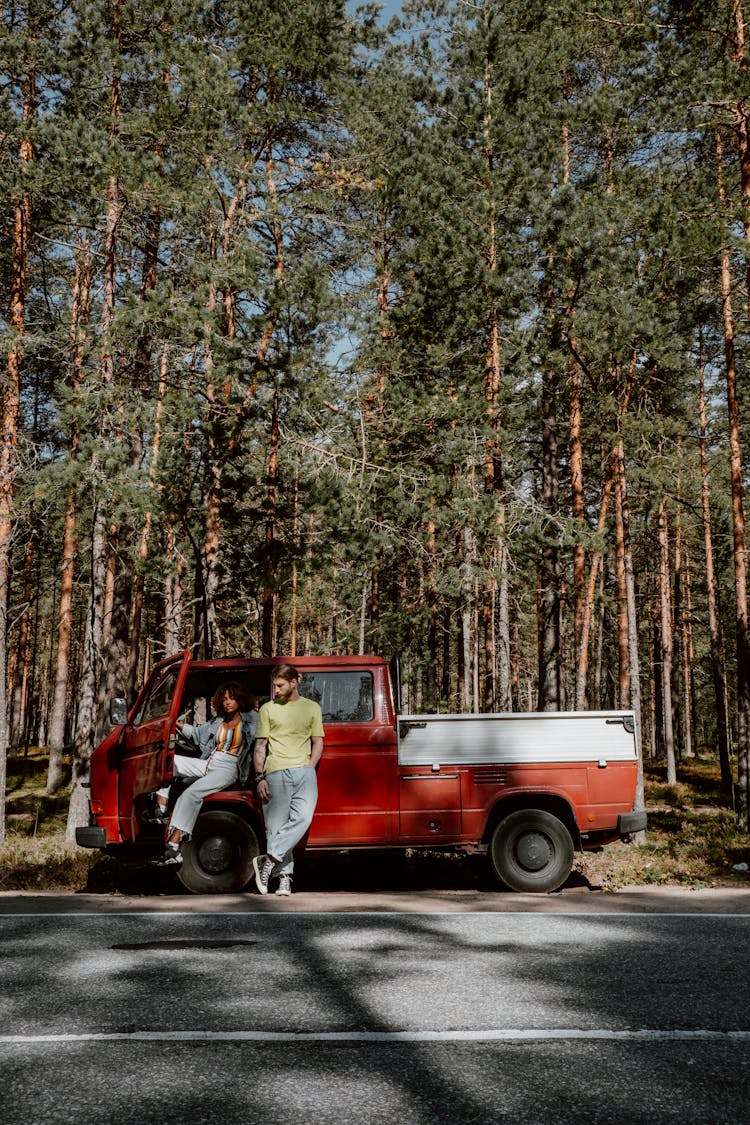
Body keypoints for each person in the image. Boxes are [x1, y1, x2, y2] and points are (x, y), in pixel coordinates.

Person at [153, 681, 258, 865]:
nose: (228, 702)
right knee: (168, 761)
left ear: (241, 698)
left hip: (229, 767)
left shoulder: (252, 719)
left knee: (191, 794)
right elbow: (196, 733)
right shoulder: (218, 721)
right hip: (209, 762)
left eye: (232, 698)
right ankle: (160, 808)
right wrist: (174, 723)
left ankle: (174, 847)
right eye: (224, 699)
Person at [252, 663, 324, 896]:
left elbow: (318, 741)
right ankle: (284, 877)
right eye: (274, 686)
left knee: (303, 817)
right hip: (275, 772)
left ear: (294, 682)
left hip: (303, 771)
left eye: (280, 685)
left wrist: (310, 767)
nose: (276, 690)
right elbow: (260, 745)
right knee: (275, 827)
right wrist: (259, 777)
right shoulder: (267, 709)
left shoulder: (312, 708)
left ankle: (268, 859)